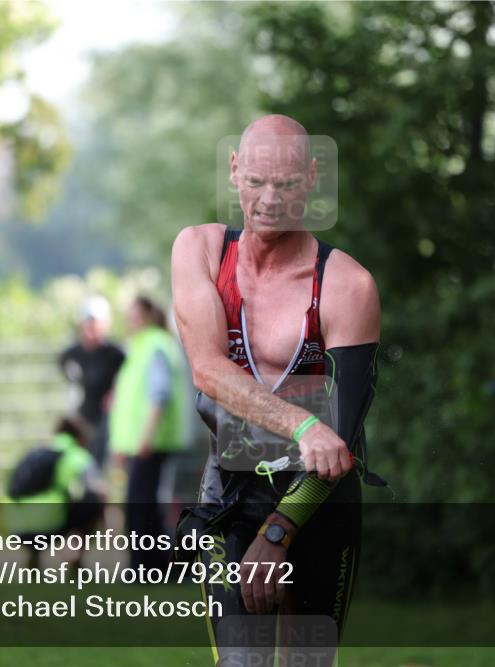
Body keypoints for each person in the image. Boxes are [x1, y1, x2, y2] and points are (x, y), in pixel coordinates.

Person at [171, 114, 382, 664]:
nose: (269, 199)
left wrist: (282, 529)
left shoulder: (346, 285)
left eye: (286, 184)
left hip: (317, 499)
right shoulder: (200, 250)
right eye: (257, 181)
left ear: (311, 179)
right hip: (231, 493)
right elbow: (208, 369)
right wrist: (301, 424)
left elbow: (341, 440)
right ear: (235, 171)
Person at [108, 296, 190, 570]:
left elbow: (159, 395)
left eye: (133, 315)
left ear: (146, 316)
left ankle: (144, 567)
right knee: (145, 507)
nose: (129, 321)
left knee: (140, 507)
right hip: (139, 443)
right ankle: (156, 566)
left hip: (151, 442)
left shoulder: (154, 346)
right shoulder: (141, 346)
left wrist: (145, 437)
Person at [4, 416, 106, 569]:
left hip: (17, 528)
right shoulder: (76, 455)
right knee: (92, 502)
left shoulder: (36, 452)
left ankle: (34, 557)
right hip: (49, 525)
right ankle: (74, 558)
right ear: (80, 437)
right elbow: (100, 490)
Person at [58, 296, 125, 467]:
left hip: (107, 418)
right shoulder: (72, 354)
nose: (90, 328)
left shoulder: (115, 353)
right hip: (82, 415)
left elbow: (125, 378)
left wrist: (115, 393)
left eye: (94, 322)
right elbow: (67, 370)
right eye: (87, 322)